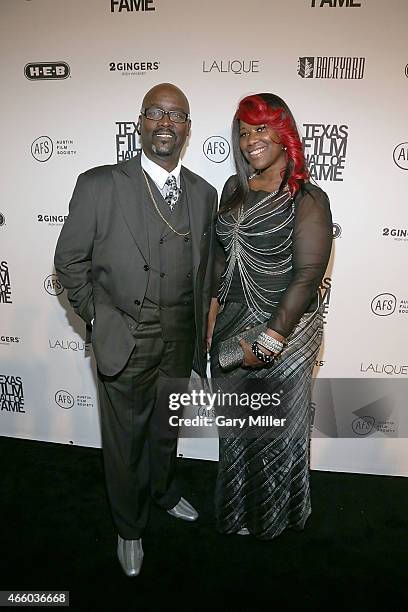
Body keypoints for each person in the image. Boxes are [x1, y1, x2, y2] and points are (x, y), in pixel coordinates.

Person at [54, 83, 218, 576]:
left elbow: (206, 270)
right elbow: (69, 260)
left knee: (166, 431)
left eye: (176, 115)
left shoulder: (204, 194)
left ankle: (165, 492)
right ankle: (129, 528)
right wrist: (98, 316)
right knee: (125, 440)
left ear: (188, 128)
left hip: (181, 339)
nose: (165, 122)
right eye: (155, 113)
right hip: (125, 336)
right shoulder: (100, 183)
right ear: (140, 123)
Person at [207, 93, 332, 539]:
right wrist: (210, 322)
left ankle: (275, 522)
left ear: (284, 133)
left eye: (261, 128)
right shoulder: (232, 189)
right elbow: (220, 263)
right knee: (237, 431)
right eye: (243, 132)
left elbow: (308, 275)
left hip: (287, 331)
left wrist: (269, 341)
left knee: (279, 434)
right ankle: (238, 514)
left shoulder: (308, 197)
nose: (250, 140)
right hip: (231, 324)